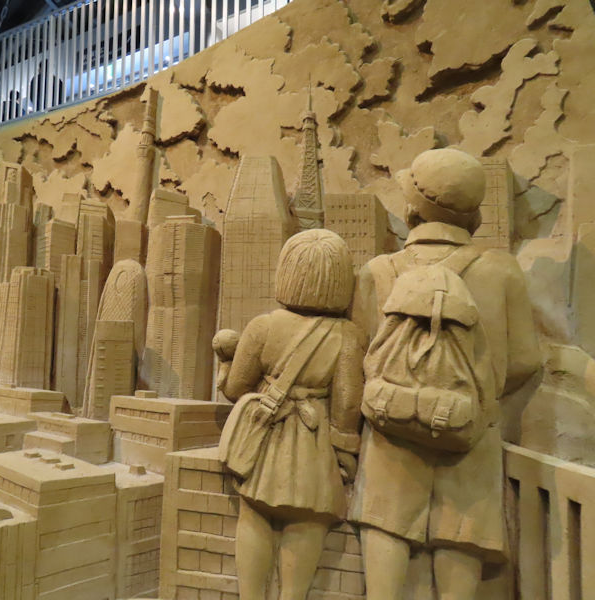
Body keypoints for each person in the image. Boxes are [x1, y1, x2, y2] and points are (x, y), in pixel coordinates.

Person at [350, 148, 541, 600]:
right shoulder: (502, 271)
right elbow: (526, 359)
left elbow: (359, 353)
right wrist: (480, 391)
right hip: (468, 435)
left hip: (391, 433)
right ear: (473, 214)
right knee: (460, 538)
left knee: (386, 531)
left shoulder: (379, 270)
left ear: (412, 209)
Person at [217, 229, 364, 600]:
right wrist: (346, 453)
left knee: (254, 514)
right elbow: (347, 405)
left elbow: (236, 389)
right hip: (313, 446)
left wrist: (224, 364)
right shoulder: (348, 336)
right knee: (306, 522)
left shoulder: (263, 327)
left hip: (266, 441)